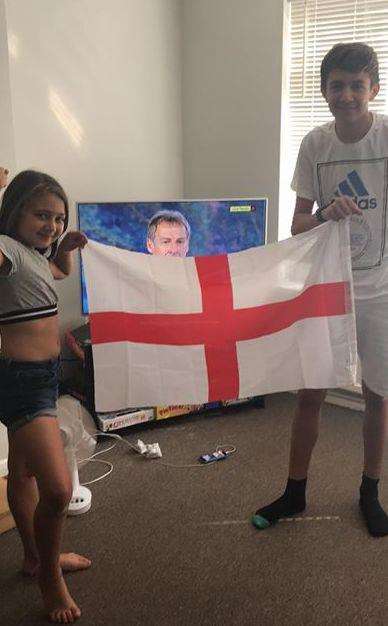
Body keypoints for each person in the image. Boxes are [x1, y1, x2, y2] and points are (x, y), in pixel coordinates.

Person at [252, 42, 388, 538]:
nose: (347, 94)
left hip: (379, 289)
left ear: (373, 88)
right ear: (325, 91)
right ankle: (295, 491)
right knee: (310, 390)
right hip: (326, 285)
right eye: (337, 85)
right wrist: (325, 214)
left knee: (378, 395)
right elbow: (297, 225)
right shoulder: (316, 144)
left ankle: (370, 490)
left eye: (357, 85)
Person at [0, 170, 89, 622]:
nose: (51, 226)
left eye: (58, 218)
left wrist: (66, 250)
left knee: (21, 471)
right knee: (56, 490)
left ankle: (35, 557)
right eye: (41, 215)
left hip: (42, 376)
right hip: (23, 382)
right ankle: (50, 578)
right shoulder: (6, 250)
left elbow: (55, 271)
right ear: (13, 209)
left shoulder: (32, 254)